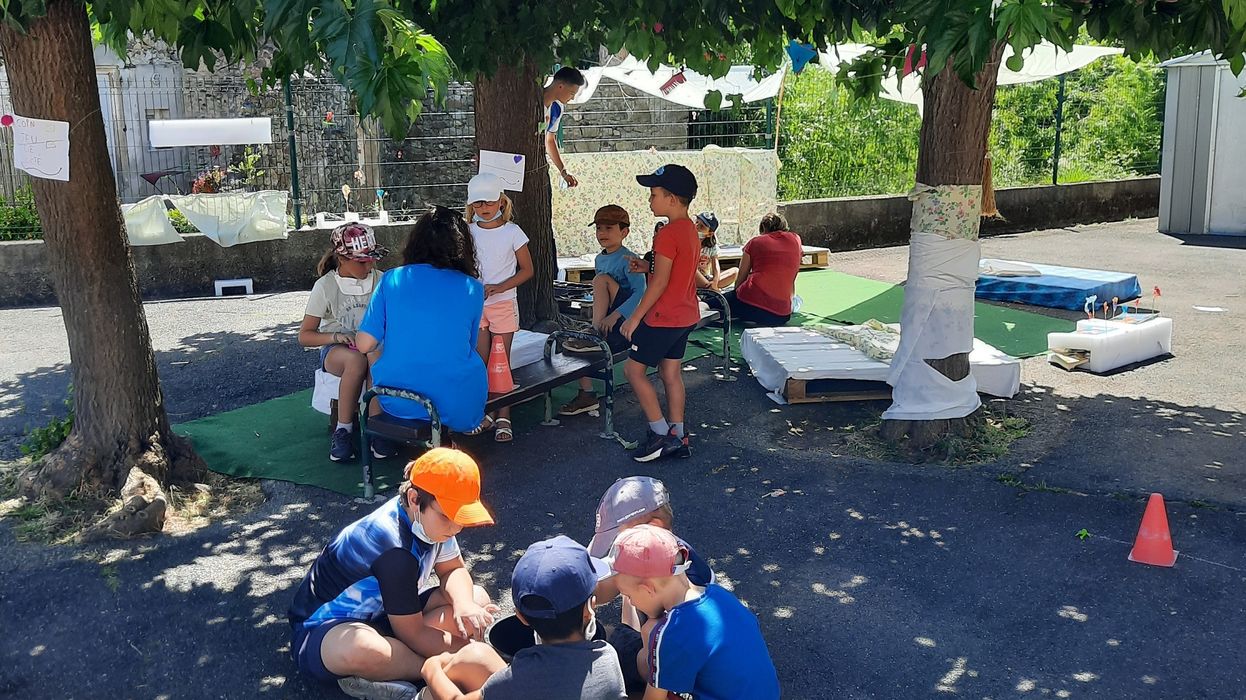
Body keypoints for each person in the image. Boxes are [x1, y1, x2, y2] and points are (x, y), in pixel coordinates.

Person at [288, 448, 499, 700]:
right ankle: (434, 671)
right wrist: (473, 654)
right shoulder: (393, 549)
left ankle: (392, 673)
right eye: (448, 517)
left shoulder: (425, 519)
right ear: (414, 498)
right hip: (322, 633)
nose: (455, 527)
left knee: (476, 598)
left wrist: (464, 604)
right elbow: (414, 633)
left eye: (461, 518)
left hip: (385, 615)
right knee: (361, 649)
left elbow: (453, 569)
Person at [418, 536, 627, 700]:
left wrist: (431, 668)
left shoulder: (519, 680)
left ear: (521, 617)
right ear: (589, 609)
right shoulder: (608, 657)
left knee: (466, 663)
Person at [353, 207, 487, 454]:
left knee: (375, 351)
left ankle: (377, 439)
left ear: (415, 241)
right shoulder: (473, 288)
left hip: (398, 398)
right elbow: (467, 344)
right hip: (459, 399)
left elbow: (364, 344)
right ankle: (445, 442)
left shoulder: (391, 280)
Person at [608, 525, 781, 700]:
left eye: (629, 595)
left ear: (648, 589)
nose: (631, 602)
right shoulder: (719, 595)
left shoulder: (671, 632)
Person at [585, 476, 716, 695]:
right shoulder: (662, 556)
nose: (613, 551)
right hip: (668, 651)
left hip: (677, 672)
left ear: (653, 526)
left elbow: (660, 679)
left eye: (616, 542)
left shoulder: (676, 620)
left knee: (609, 648)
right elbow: (606, 588)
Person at [621, 164, 702, 462]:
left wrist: (635, 317)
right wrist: (647, 266)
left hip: (662, 317)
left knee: (633, 370)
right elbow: (677, 270)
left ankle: (658, 434)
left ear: (671, 198)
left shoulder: (666, 234)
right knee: (670, 373)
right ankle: (678, 435)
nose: (650, 200)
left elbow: (661, 283)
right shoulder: (690, 229)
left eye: (654, 194)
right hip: (685, 315)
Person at [298, 222, 388, 462]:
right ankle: (343, 428)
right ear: (342, 258)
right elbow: (305, 334)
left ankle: (377, 428)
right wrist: (337, 336)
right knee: (356, 360)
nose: (369, 264)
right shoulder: (325, 285)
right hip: (337, 349)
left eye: (371, 258)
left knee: (371, 355)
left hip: (374, 346)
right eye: (361, 261)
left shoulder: (381, 280)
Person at [558, 205, 647, 417]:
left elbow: (640, 294)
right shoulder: (599, 258)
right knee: (576, 348)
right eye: (599, 228)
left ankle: (595, 331)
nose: (602, 234)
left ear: (624, 232)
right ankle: (586, 393)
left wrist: (615, 315)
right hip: (608, 320)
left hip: (627, 322)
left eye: (608, 228)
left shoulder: (629, 259)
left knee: (600, 279)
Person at [465, 172, 533, 442]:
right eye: (478, 204)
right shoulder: (467, 231)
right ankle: (484, 412)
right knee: (480, 361)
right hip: (476, 305)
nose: (483, 208)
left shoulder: (513, 232)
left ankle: (504, 415)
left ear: (501, 202)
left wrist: (500, 287)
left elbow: (527, 270)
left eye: (488, 202)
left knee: (500, 361)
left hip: (503, 304)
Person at [724, 212, 803, 327]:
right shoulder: (796, 240)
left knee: (717, 303)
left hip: (752, 303)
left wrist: (734, 295)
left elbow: (741, 278)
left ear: (763, 229)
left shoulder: (755, 242)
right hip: (782, 315)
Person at [543, 66, 586, 189]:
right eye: (572, 93)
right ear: (560, 86)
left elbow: (550, 140)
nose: (572, 98)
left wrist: (563, 172)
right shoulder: (532, 100)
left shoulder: (557, 108)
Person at [693, 212, 738, 290]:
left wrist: (715, 281)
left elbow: (715, 265)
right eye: (696, 222)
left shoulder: (711, 247)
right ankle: (709, 288)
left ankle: (709, 287)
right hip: (691, 277)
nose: (697, 227)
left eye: (702, 226)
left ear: (709, 234)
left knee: (735, 271)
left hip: (706, 278)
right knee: (692, 269)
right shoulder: (688, 242)